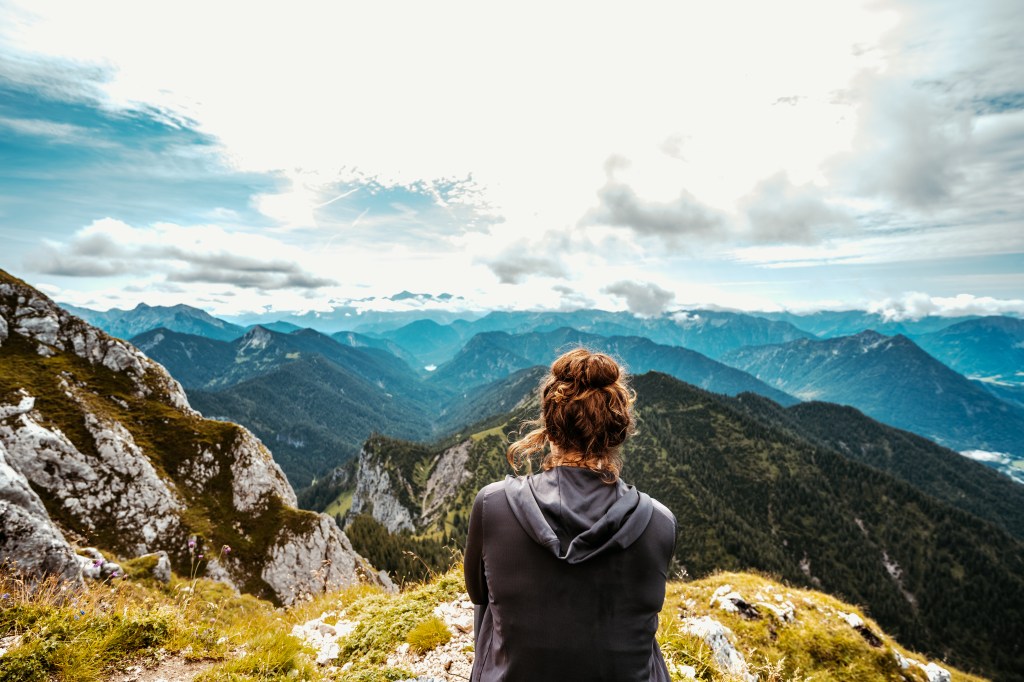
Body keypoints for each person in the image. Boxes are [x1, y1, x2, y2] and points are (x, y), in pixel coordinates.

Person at [464, 348, 677, 682]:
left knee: (489, 606)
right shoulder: (659, 522)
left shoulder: (493, 504)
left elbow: (478, 594)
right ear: (615, 434)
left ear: (550, 430)